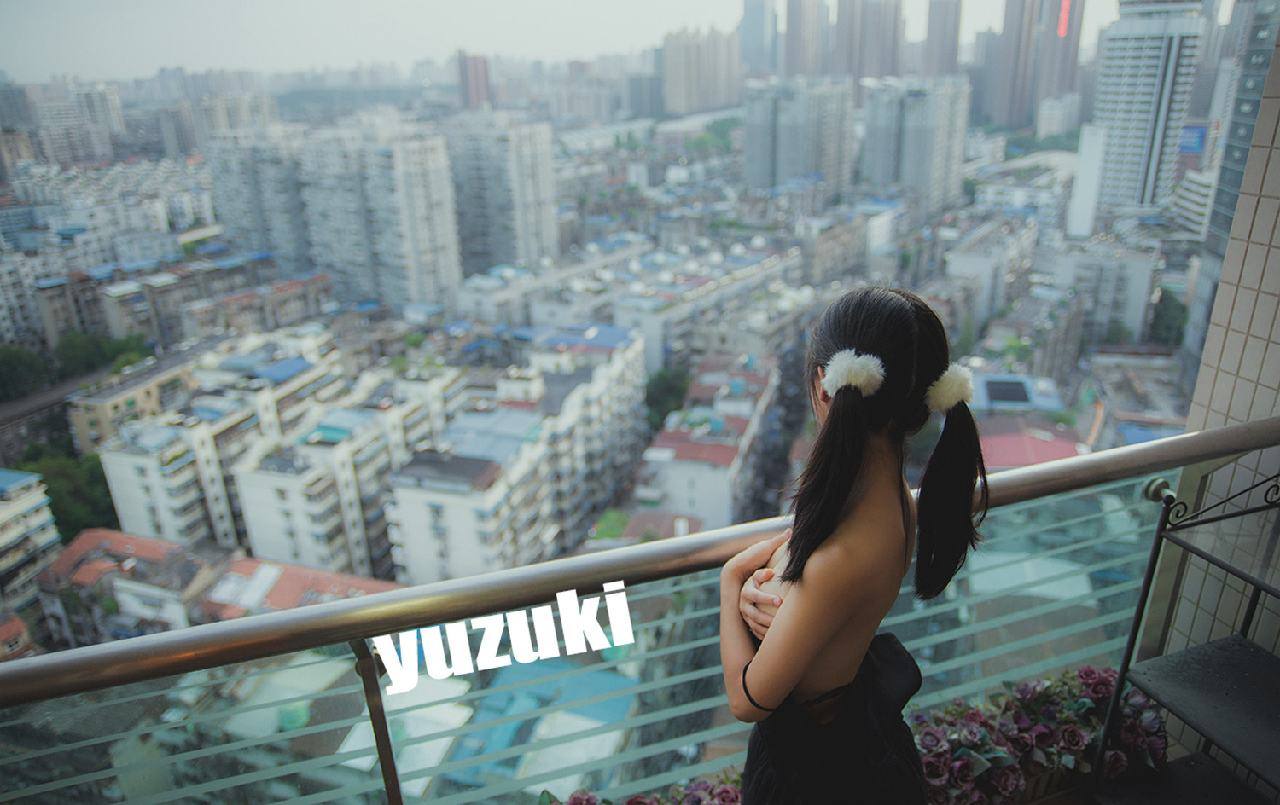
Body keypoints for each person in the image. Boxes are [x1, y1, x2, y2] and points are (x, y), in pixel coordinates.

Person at [718, 286, 988, 804]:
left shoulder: (839, 555)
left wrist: (732, 581)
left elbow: (748, 699)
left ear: (824, 386)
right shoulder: (897, 499)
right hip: (855, 732)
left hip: (813, 771)